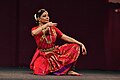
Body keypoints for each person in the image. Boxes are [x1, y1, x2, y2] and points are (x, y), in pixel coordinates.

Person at [30, 9, 87, 76]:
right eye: (44, 16)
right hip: (43, 55)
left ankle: (70, 70)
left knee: (75, 46)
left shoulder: (53, 29)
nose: (47, 17)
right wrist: (46, 25)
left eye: (48, 15)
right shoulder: (35, 29)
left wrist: (80, 44)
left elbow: (66, 37)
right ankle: (58, 70)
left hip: (55, 52)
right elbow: (34, 33)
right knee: (39, 71)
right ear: (39, 19)